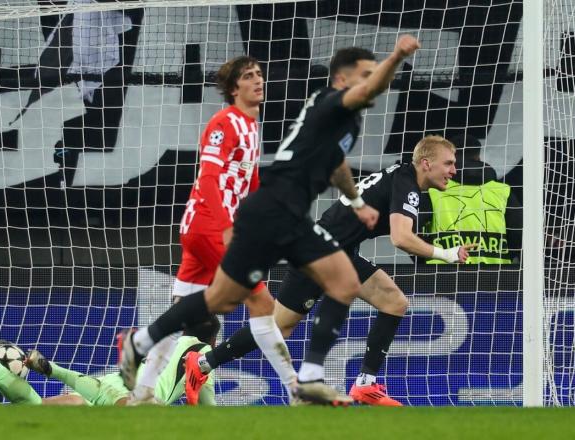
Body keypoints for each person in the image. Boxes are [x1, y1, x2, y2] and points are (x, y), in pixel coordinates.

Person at [119, 36, 422, 406]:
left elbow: (336, 164)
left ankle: (306, 381)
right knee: (230, 300)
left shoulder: (341, 121)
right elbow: (211, 177)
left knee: (327, 284)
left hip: (285, 214)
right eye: (366, 74)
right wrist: (397, 56)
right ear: (343, 80)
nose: (374, 81)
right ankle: (298, 382)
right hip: (268, 214)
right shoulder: (332, 102)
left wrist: (357, 200)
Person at [186, 135, 474, 407]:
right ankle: (202, 363)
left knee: (394, 301)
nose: (453, 169)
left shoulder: (403, 179)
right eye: (448, 163)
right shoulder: (407, 184)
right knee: (278, 328)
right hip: (318, 253)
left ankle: (365, 384)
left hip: (339, 253)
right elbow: (401, 238)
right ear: (426, 163)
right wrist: (446, 254)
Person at [120, 56, 299, 404]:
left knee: (181, 314)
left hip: (207, 228)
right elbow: (209, 177)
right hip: (209, 227)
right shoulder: (225, 122)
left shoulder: (251, 125)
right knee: (261, 301)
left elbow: (250, 180)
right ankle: (296, 389)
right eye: (249, 76)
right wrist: (228, 228)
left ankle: (143, 390)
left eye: (260, 74)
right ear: (234, 88)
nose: (258, 81)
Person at [0, 317, 219, 406]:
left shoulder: (163, 343)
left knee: (61, 405)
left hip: (105, 384)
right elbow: (209, 411)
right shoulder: (203, 352)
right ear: (214, 340)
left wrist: (52, 369)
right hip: (138, 400)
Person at [421, 133, 522, 264]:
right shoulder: (503, 192)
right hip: (495, 279)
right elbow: (520, 240)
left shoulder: (432, 191)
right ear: (478, 157)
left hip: (440, 279)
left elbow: (411, 238)